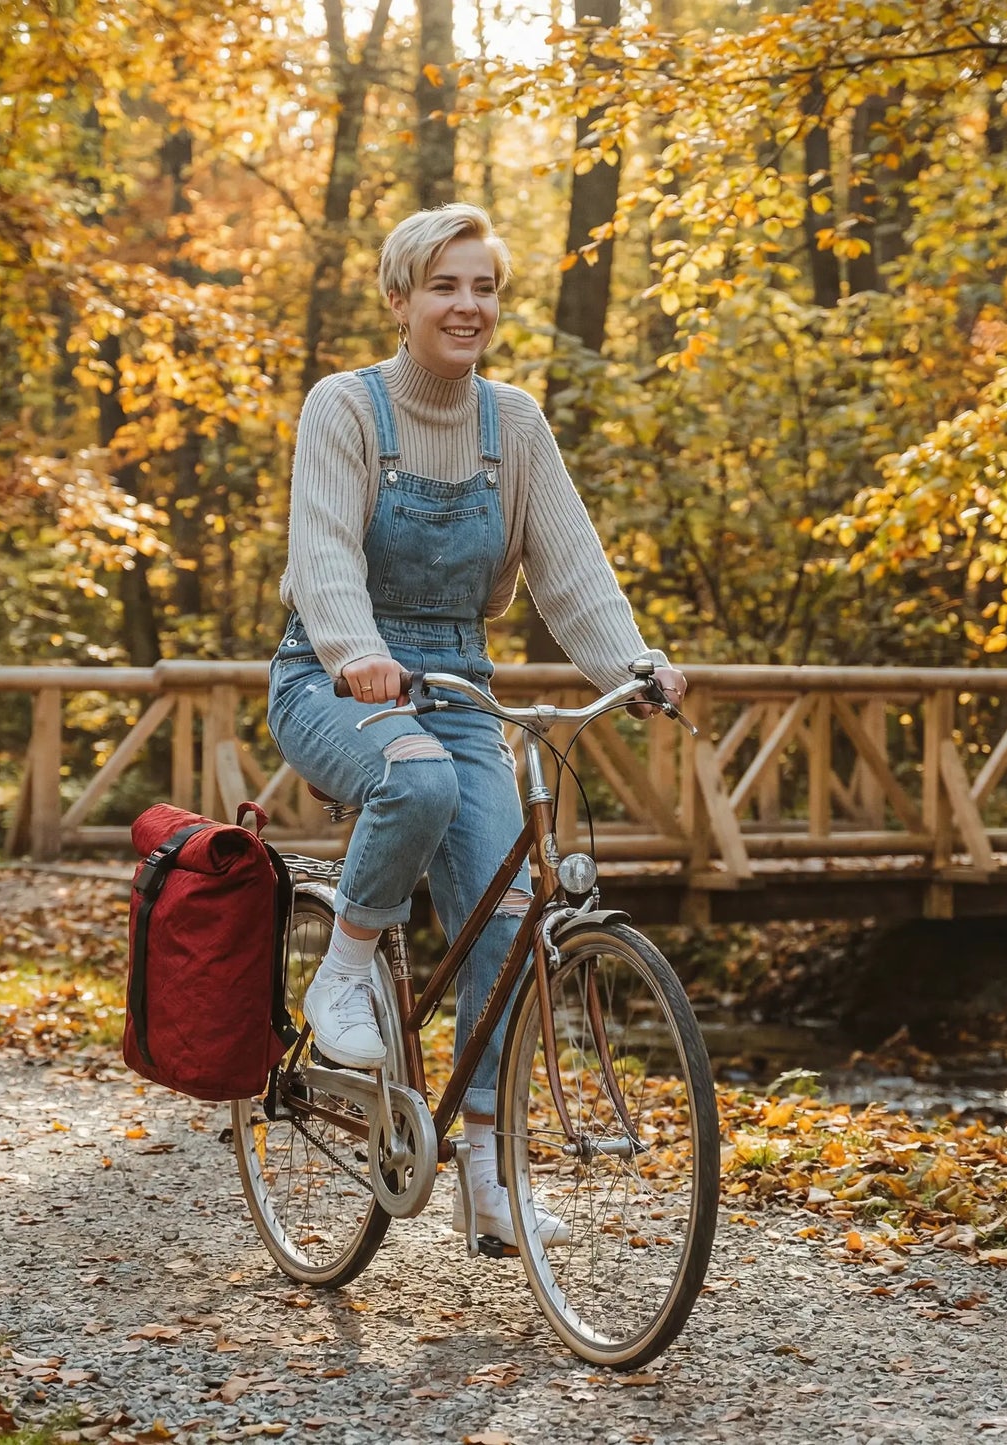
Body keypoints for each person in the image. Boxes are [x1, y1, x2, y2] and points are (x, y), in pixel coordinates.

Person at [268, 202, 686, 1247]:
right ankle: (346, 963)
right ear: (399, 297)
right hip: (330, 675)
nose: (467, 306)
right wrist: (355, 650)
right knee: (416, 779)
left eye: (483, 287)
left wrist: (631, 663)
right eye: (444, 285)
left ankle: (491, 1178)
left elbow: (571, 570)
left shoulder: (516, 425)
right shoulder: (346, 407)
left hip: (457, 677)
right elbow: (322, 554)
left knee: (506, 936)